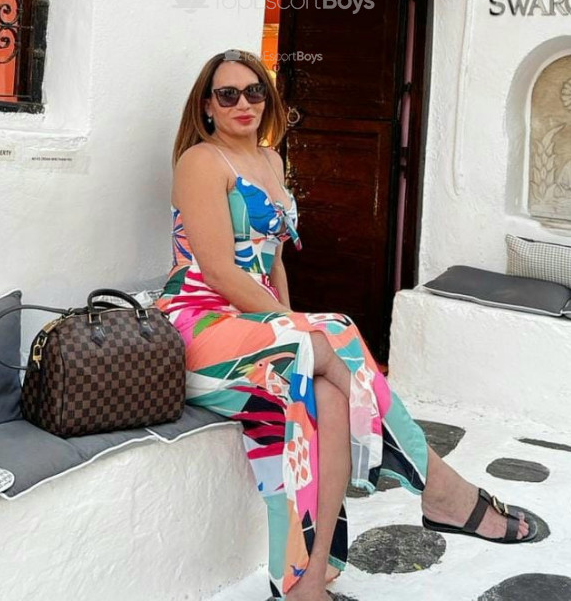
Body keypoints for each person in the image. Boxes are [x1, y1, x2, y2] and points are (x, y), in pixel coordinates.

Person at [155, 48, 536, 600]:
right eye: (228, 94)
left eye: (254, 91)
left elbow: (274, 263)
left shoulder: (271, 161)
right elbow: (217, 270)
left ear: (268, 98)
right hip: (202, 324)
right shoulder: (201, 162)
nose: (243, 103)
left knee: (330, 401)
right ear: (207, 106)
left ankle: (306, 583)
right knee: (335, 329)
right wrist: (298, 327)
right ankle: (440, 488)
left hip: (260, 330)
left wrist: (293, 328)